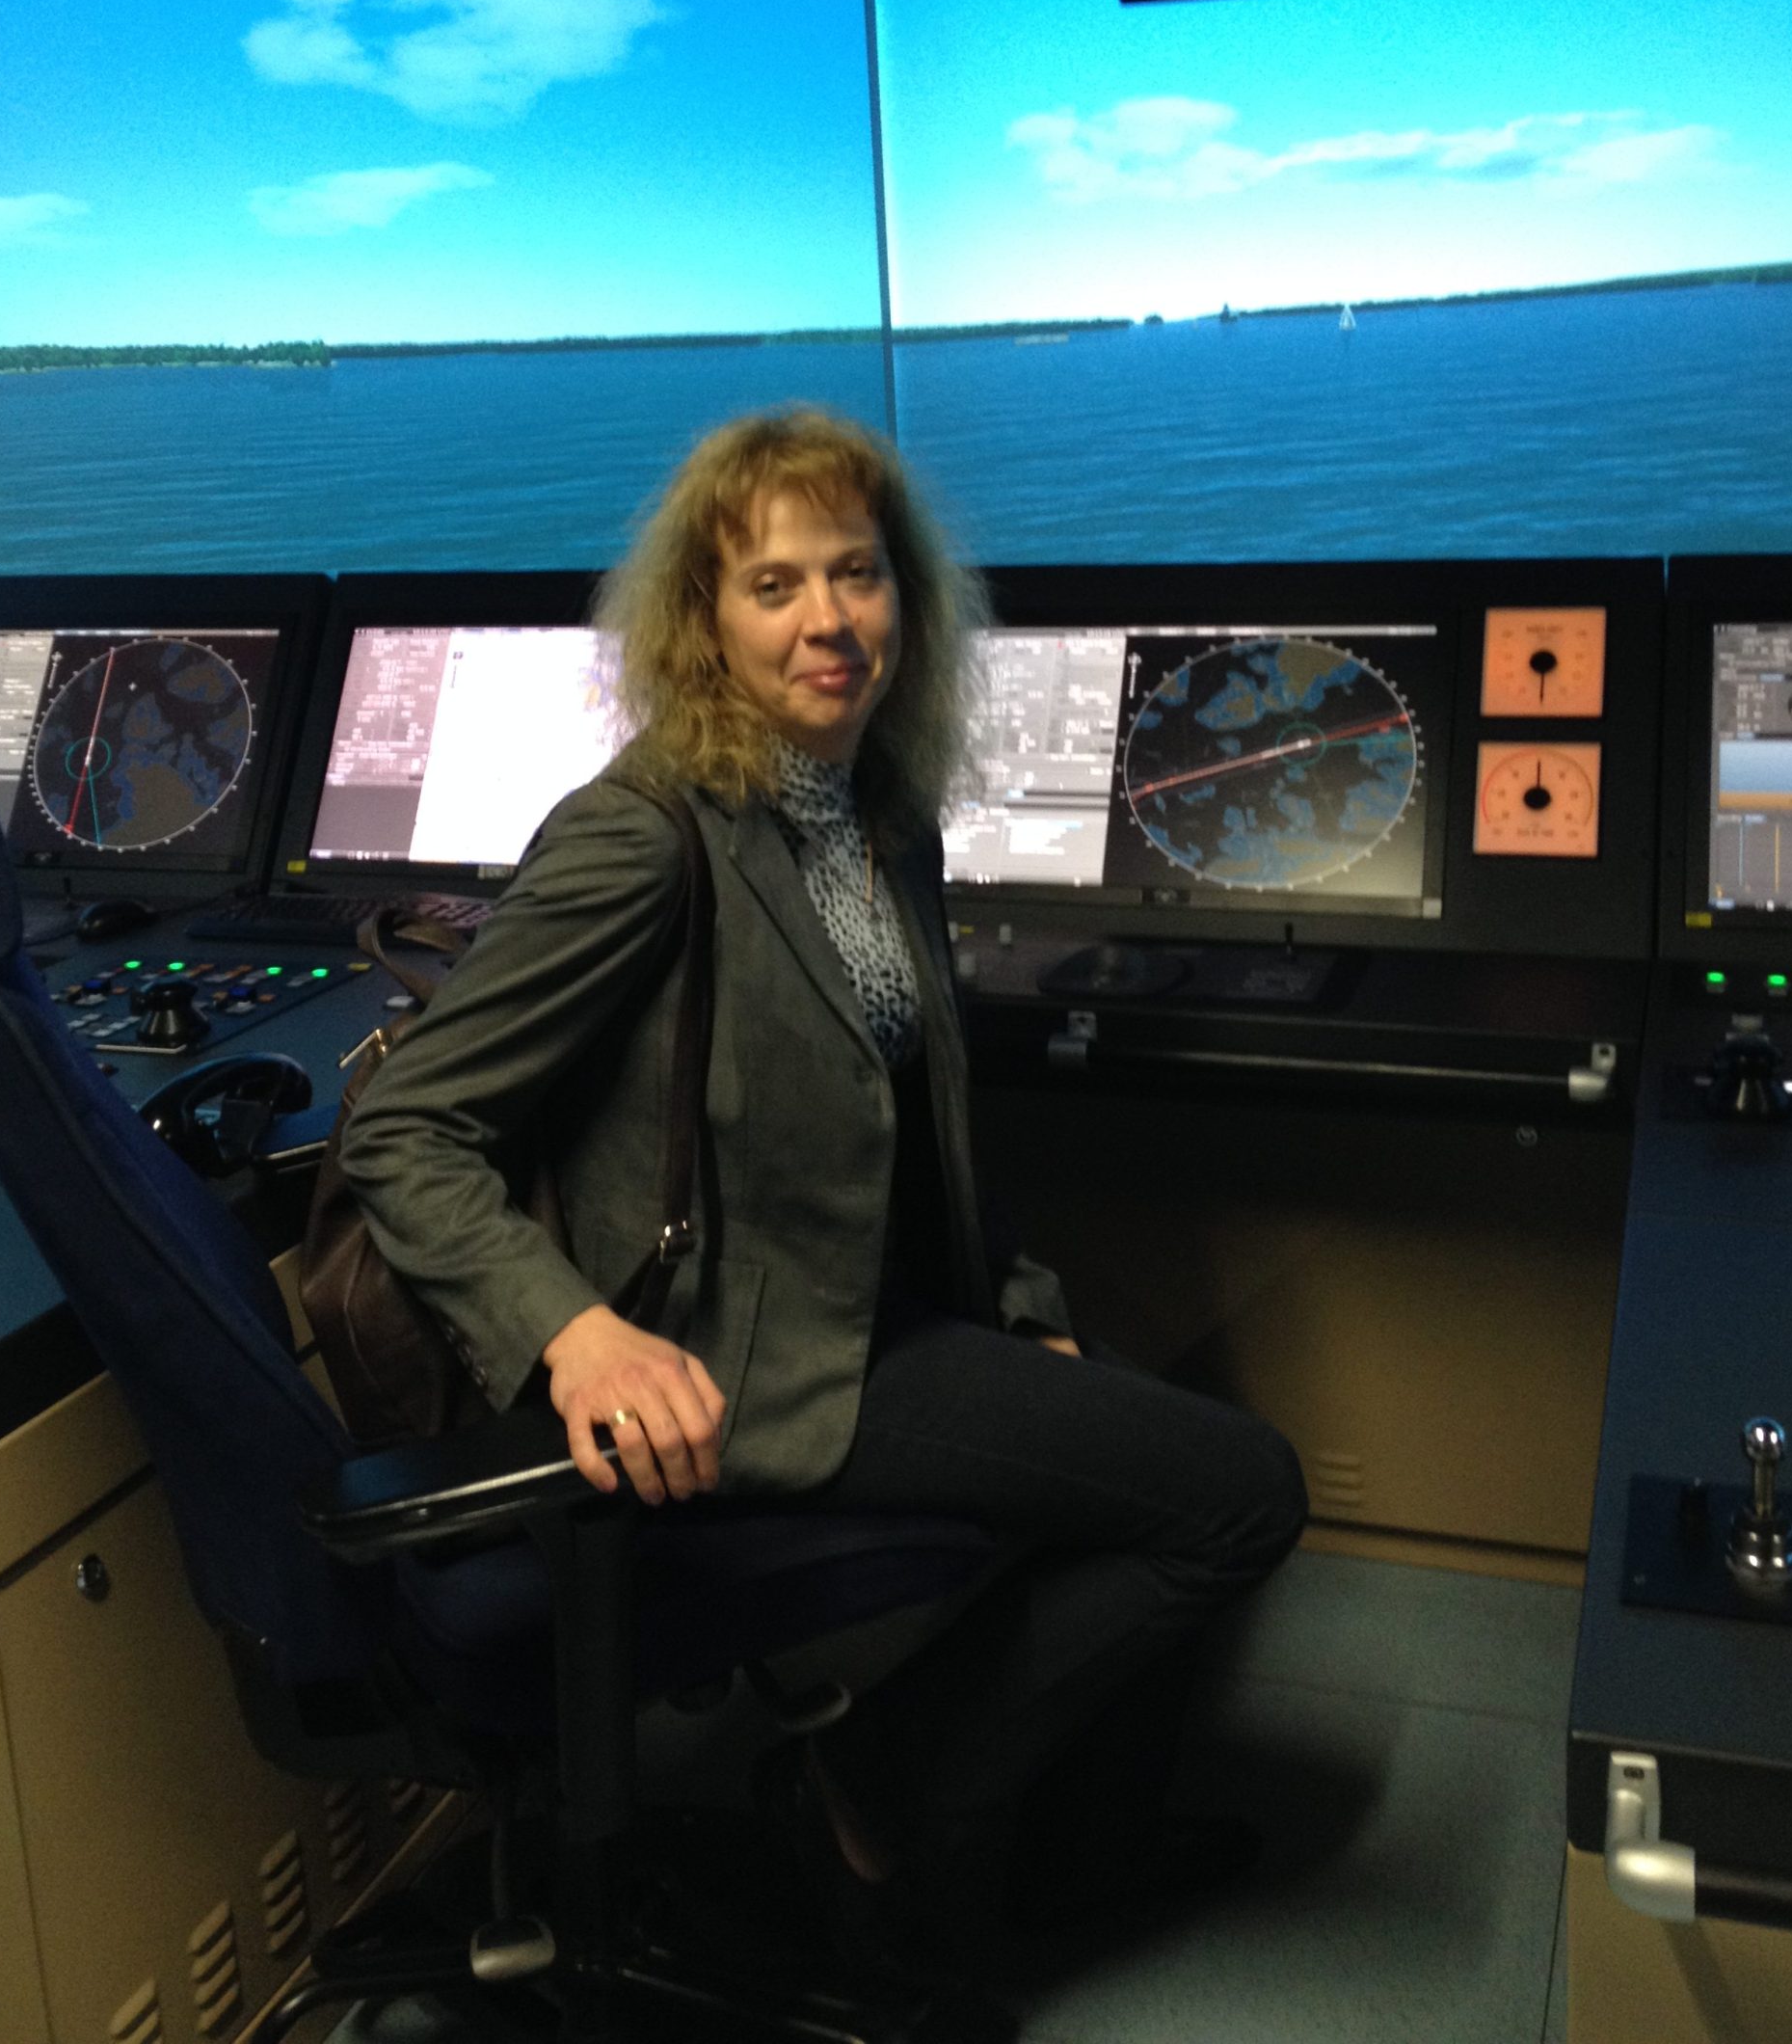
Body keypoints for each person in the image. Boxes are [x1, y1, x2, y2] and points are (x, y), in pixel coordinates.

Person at [339, 407, 1306, 1938]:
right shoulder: (644, 838)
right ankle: (879, 1784)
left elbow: (913, 1127)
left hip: (872, 1306)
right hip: (739, 1361)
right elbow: (407, 1129)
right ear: (704, 621)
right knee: (1241, 1494)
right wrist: (577, 1339)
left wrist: (1022, 1307)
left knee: (1144, 1436)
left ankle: (1085, 1849)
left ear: (903, 596)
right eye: (773, 586)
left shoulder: (876, 815)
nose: (827, 621)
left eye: (855, 573)